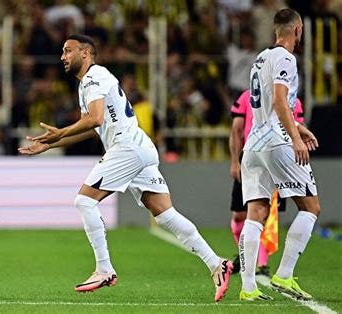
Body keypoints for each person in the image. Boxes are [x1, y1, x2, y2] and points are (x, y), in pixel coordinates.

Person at [18, 34, 233, 302]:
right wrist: (52, 144)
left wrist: (60, 133)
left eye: (68, 51)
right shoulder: (88, 84)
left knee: (84, 201)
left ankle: (104, 269)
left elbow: (94, 118)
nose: (62, 56)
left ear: (85, 53)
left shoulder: (94, 76)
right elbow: (94, 126)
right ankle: (216, 264)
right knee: (165, 214)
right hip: (139, 147)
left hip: (126, 148)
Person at [239, 9, 320, 301]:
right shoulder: (286, 58)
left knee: (256, 212)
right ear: (297, 30)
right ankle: (284, 275)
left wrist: (299, 126)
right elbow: (281, 100)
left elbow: (267, 107)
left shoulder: (260, 58)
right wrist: (295, 137)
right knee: (310, 207)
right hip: (276, 141)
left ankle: (248, 288)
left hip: (253, 144)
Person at [229, 89, 304, 277]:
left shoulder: (293, 100)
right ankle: (245, 254)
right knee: (240, 214)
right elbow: (236, 129)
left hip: (278, 160)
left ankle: (261, 264)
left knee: (267, 214)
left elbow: (297, 130)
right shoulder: (248, 96)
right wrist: (235, 161)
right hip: (251, 157)